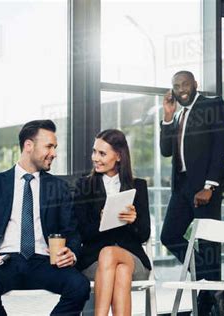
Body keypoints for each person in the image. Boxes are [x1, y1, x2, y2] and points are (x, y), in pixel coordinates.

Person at [0, 119, 90, 316]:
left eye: (55, 147)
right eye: (49, 146)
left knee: (79, 286)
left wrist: (71, 253)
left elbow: (71, 233)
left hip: (44, 261)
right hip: (3, 261)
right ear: (28, 146)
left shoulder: (58, 187)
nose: (54, 153)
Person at [159, 70, 224, 314]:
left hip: (204, 187)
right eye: (176, 85)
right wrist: (168, 117)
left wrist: (210, 185)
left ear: (195, 84)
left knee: (208, 244)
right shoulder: (178, 115)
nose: (181, 89)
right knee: (169, 235)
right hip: (181, 187)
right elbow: (166, 151)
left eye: (185, 84)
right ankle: (214, 285)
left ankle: (208, 298)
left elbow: (222, 145)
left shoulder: (212, 104)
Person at [73, 129, 151, 316]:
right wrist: (101, 221)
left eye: (102, 153)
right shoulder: (84, 186)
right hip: (93, 261)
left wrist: (133, 221)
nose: (95, 158)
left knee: (112, 256)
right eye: (94, 152)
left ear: (118, 156)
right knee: (120, 271)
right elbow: (80, 232)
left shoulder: (138, 186)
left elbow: (144, 235)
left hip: (132, 258)